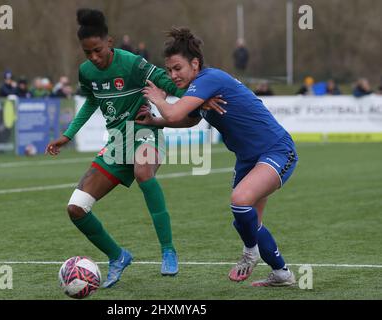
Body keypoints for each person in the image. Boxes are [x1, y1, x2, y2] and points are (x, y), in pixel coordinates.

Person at [45, 9, 223, 289]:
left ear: (110, 42)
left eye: (98, 50)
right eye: (87, 52)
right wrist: (67, 135)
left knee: (143, 171)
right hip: (116, 143)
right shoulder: (86, 71)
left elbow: (166, 82)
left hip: (144, 131)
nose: (93, 57)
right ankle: (118, 256)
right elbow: (92, 100)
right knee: (76, 208)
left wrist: (199, 98)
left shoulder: (132, 64)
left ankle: (168, 250)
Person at [138, 27, 298, 287]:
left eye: (177, 68)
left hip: (276, 149)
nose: (172, 75)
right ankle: (282, 274)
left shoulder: (209, 79)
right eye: (169, 71)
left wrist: (158, 99)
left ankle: (250, 253)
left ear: (195, 63)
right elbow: (189, 120)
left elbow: (176, 113)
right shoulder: (199, 88)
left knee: (240, 201)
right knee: (246, 221)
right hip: (248, 159)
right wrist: (156, 121)